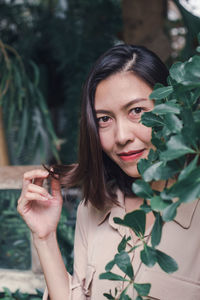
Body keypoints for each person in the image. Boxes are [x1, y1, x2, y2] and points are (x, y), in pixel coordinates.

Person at [17, 45, 200, 300]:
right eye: (104, 119)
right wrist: (44, 237)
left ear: (170, 107)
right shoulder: (93, 207)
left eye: (137, 111)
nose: (122, 137)